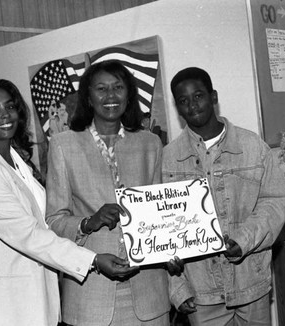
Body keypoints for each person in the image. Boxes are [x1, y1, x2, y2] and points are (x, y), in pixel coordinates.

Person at [0, 79, 137, 326]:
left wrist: (87, 223)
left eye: (10, 107)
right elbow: (28, 234)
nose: (5, 115)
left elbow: (47, 221)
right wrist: (92, 260)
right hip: (2, 298)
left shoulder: (16, 159)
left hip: (35, 290)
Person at [45, 60, 171, 326]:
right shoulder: (63, 145)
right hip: (90, 293)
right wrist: (89, 222)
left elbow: (164, 214)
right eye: (101, 88)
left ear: (129, 95)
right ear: (88, 97)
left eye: (118, 87)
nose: (110, 96)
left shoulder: (150, 143)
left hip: (149, 292)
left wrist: (172, 245)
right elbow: (54, 221)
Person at [162, 67, 285, 326]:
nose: (192, 105)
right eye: (183, 101)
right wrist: (177, 288)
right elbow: (161, 230)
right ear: (177, 107)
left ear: (213, 96)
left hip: (251, 283)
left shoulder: (253, 146)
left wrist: (243, 240)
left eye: (198, 96)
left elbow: (275, 201)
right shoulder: (167, 158)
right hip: (201, 294)